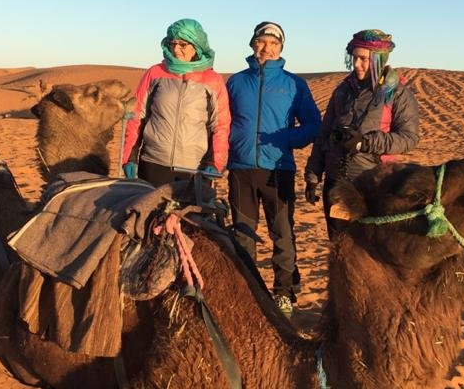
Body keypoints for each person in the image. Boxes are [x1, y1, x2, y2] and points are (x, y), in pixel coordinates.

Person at [226, 21, 321, 316]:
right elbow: (220, 121)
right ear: (253, 44)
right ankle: (248, 291)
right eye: (262, 42)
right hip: (240, 168)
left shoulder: (294, 84)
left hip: (278, 169)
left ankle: (284, 293)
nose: (266, 48)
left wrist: (286, 140)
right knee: (243, 234)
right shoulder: (236, 82)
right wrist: (230, 142)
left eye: (273, 44)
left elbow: (313, 125)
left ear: (281, 48)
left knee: (282, 233)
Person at [304, 29, 419, 238]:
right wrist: (313, 175)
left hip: (373, 182)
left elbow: (408, 138)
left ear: (379, 59)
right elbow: (324, 133)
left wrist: (364, 143)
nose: (357, 64)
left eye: (363, 59)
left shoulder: (397, 93)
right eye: (354, 57)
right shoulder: (342, 90)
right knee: (338, 246)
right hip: (336, 181)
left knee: (368, 249)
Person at [121, 19, 230, 187]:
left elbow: (220, 125)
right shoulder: (155, 73)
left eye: (183, 45)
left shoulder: (212, 81)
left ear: (196, 46)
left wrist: (215, 162)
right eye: (173, 43)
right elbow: (137, 116)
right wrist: (129, 156)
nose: (176, 49)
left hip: (194, 168)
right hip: (153, 163)